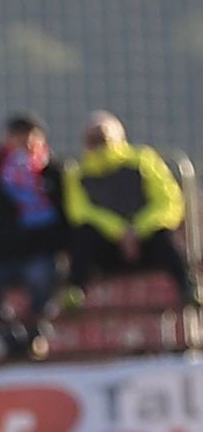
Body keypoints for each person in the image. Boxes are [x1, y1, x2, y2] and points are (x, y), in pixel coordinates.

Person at [60, 111, 199, 314]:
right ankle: (74, 291)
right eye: (93, 138)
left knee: (164, 238)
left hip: (147, 244)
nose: (99, 143)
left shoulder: (143, 161)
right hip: (108, 251)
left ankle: (188, 288)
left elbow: (168, 201)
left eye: (103, 137)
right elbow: (80, 213)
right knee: (84, 236)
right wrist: (120, 232)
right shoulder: (78, 173)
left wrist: (137, 230)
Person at [0, 112, 66, 361]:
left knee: (44, 278)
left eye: (29, 134)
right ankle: (9, 337)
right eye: (18, 134)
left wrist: (55, 243)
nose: (24, 141)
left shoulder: (53, 174)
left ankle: (34, 334)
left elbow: (67, 215)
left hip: (39, 254)